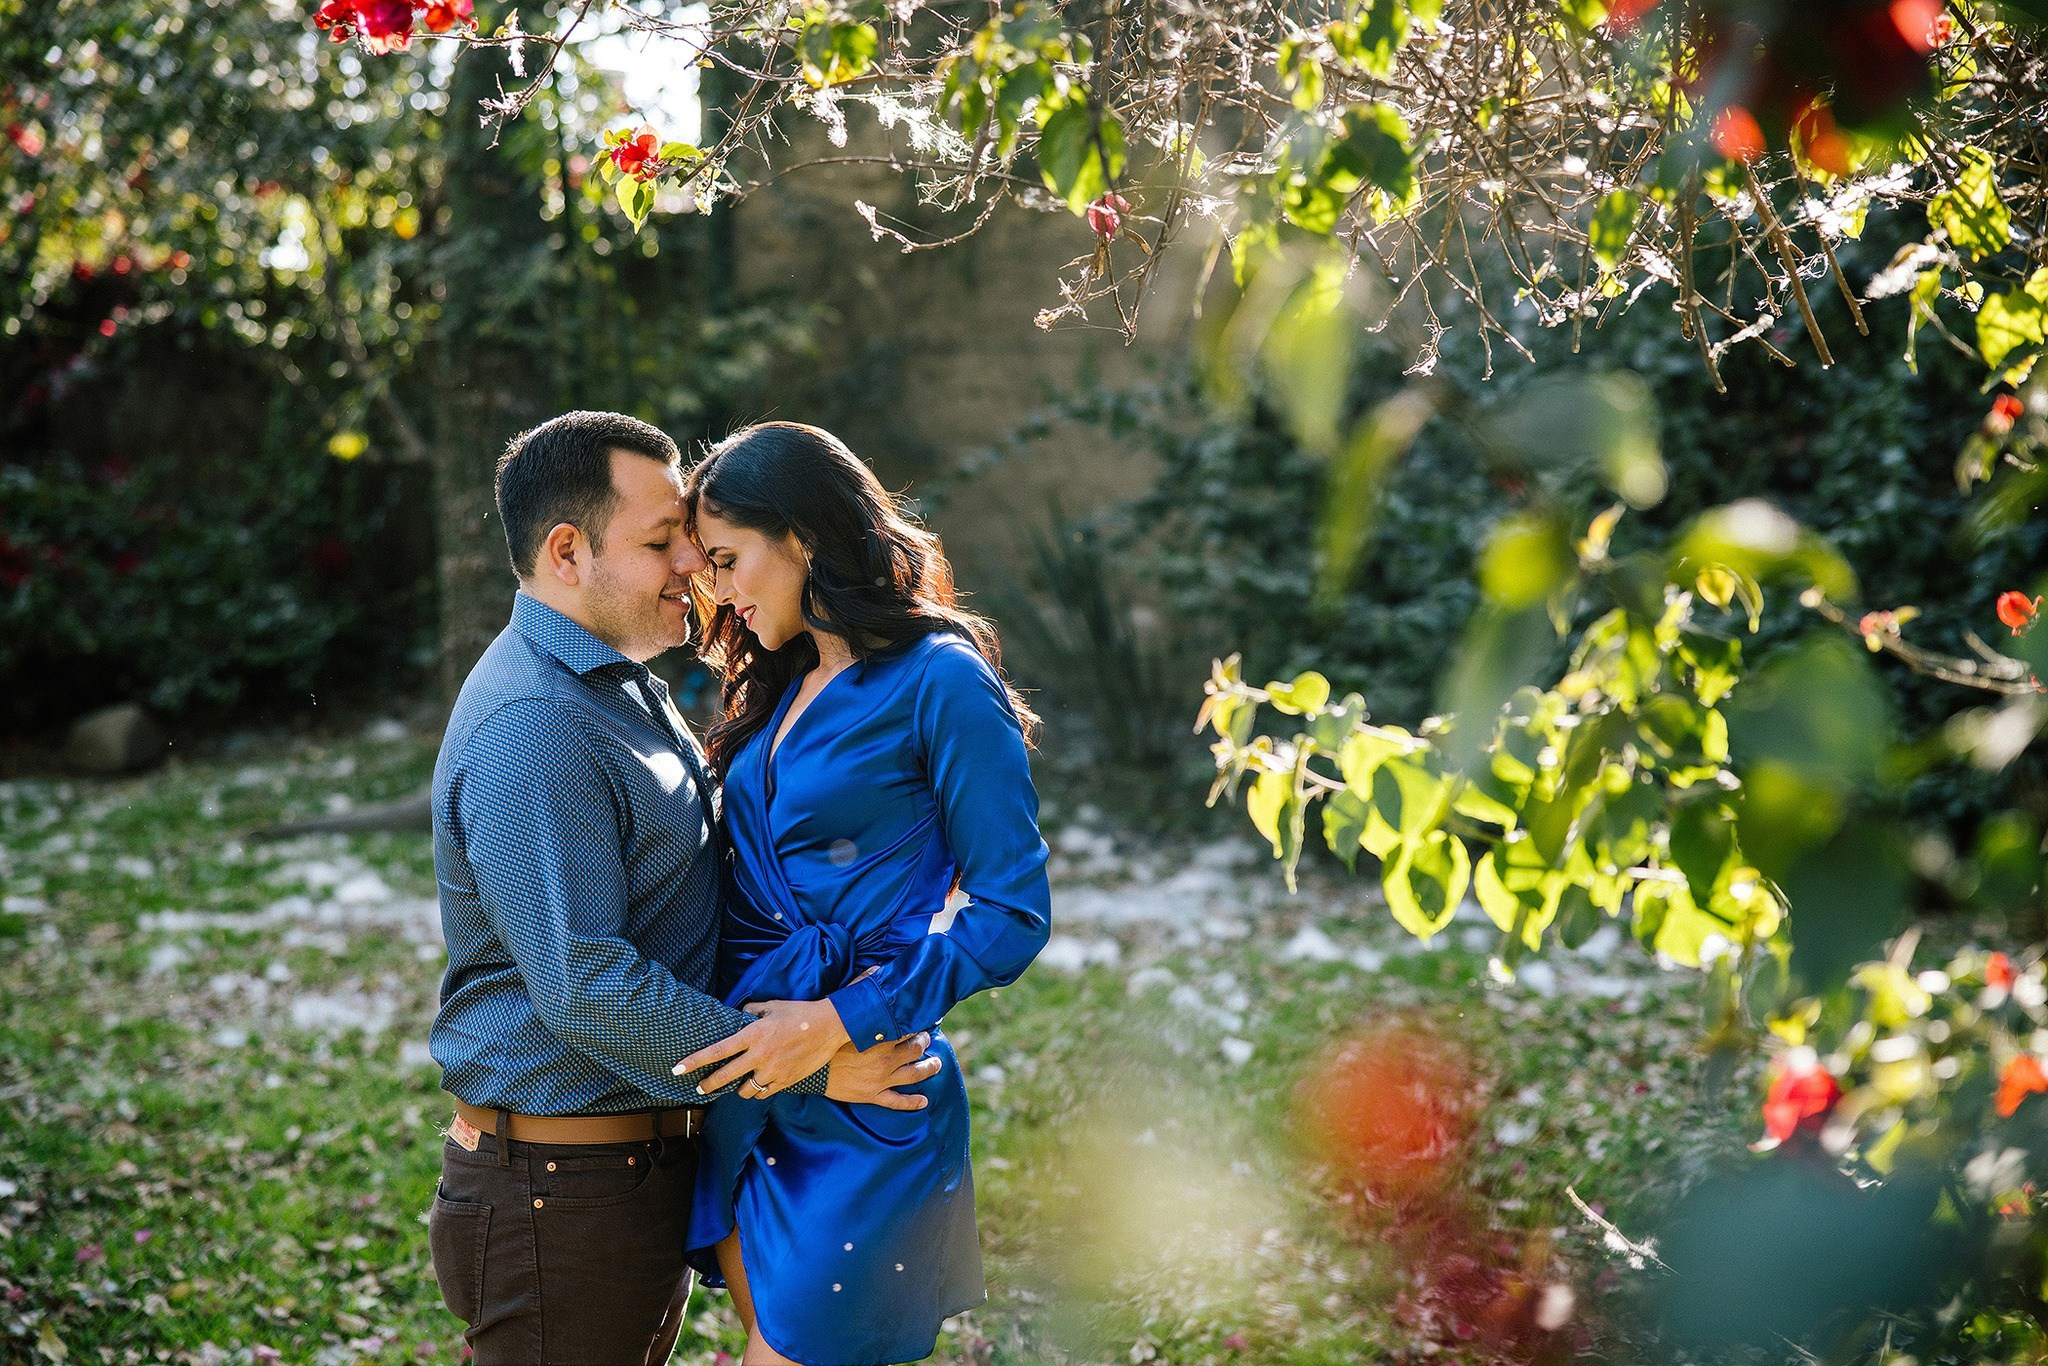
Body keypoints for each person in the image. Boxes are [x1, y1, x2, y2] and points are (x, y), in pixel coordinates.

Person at [424, 410, 940, 1366]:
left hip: (620, 1171)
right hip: (559, 1191)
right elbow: (588, 987)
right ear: (567, 552)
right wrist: (808, 1062)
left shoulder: (614, 681)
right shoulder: (533, 724)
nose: (693, 563)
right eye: (662, 542)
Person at [672, 421, 1052, 1366]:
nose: (718, 590)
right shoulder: (777, 685)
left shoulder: (941, 682)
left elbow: (1013, 913)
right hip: (756, 1089)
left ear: (802, 536)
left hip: (868, 1091)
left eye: (728, 560)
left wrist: (839, 1022)